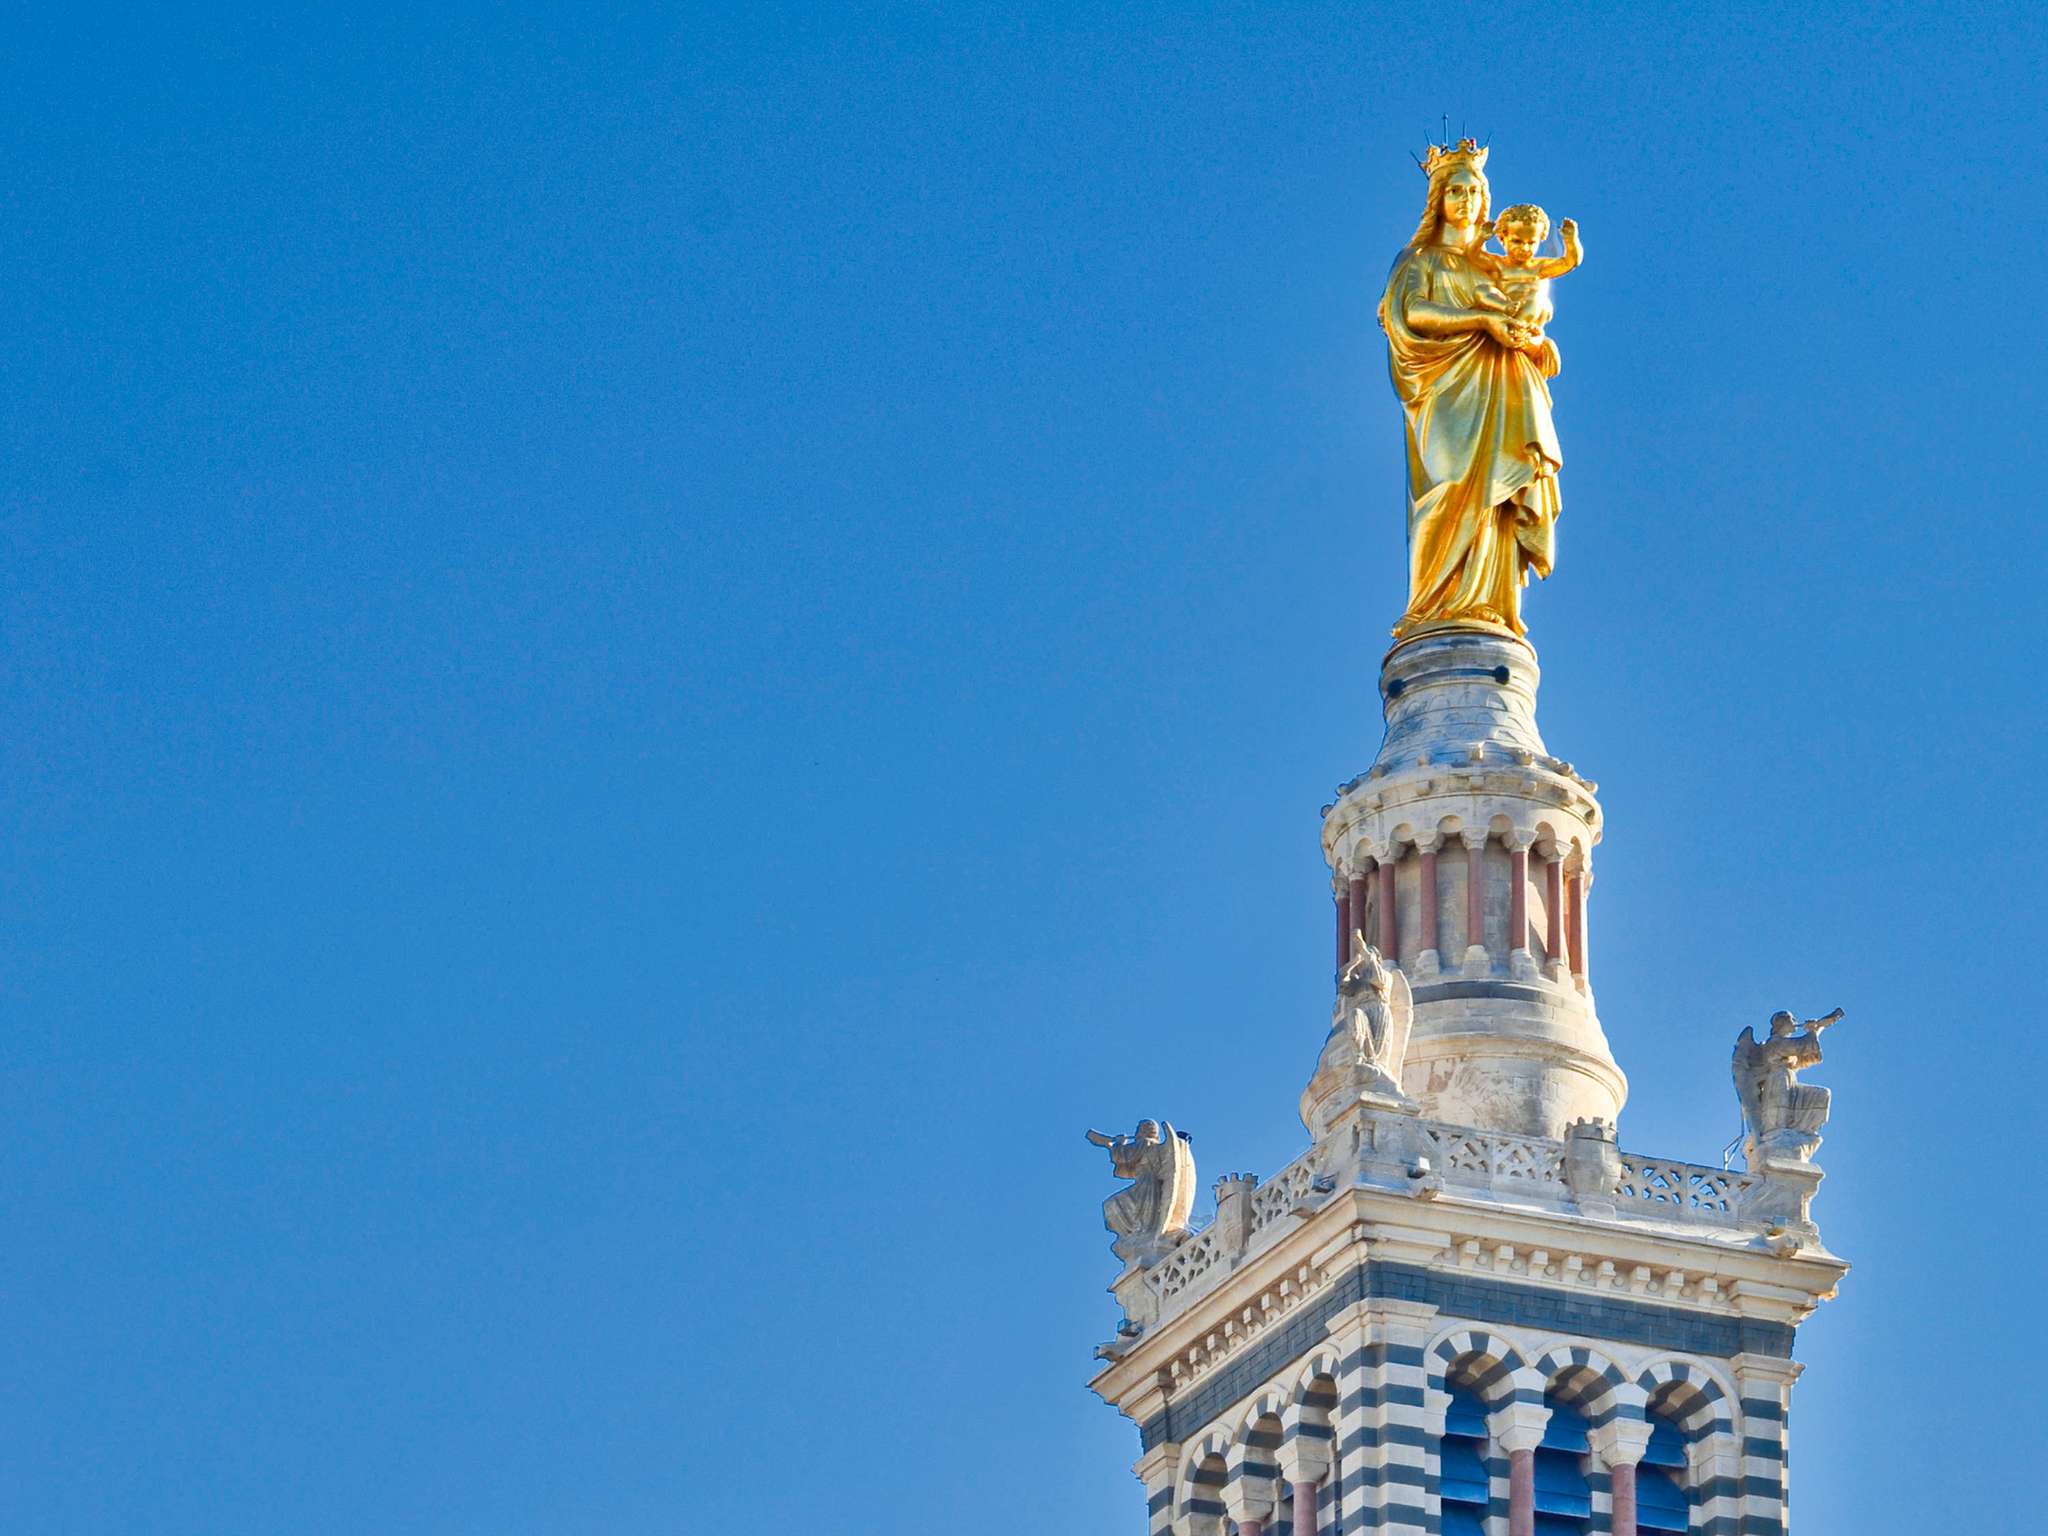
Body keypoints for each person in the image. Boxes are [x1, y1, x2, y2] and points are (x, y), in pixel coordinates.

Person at [1377, 142, 1569, 639]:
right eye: (1455, 190)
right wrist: (1480, 318)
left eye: (1473, 191)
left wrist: (1535, 342)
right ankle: (1431, 605)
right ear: (1438, 198)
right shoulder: (1422, 258)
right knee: (1451, 482)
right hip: (1446, 387)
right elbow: (1410, 313)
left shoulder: (1492, 266)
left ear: (1484, 201)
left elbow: (1523, 312)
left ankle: (1490, 600)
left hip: (1504, 384)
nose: (1464, 199)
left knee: (1498, 493)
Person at [1471, 203, 1582, 378]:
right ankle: (1507, 313)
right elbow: (1473, 256)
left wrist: (1570, 240)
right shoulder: (1499, 264)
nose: (1525, 248)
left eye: (1531, 243)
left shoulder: (1538, 267)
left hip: (1528, 317)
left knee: (1536, 299)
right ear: (1502, 238)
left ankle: (1518, 330)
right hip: (1504, 310)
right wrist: (1480, 239)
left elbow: (1570, 262)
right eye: (1517, 241)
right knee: (1481, 291)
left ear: (1540, 240)